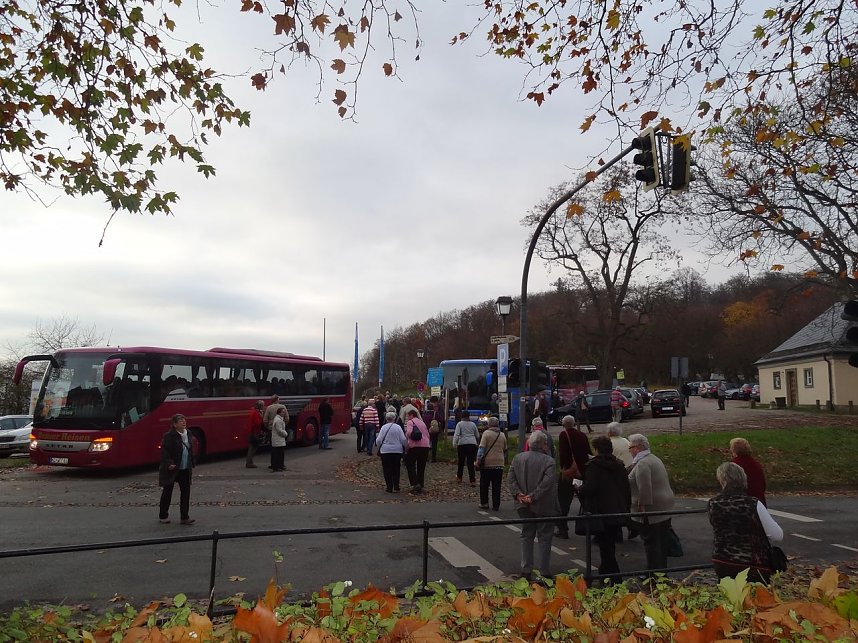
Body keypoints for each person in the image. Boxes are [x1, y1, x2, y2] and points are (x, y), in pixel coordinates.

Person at [708, 462, 783, 584]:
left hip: (722, 560)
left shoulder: (713, 503)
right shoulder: (753, 504)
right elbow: (777, 535)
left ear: (722, 480)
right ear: (743, 479)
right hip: (753, 564)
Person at [578, 436, 632, 583]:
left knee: (605, 546)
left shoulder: (593, 466)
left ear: (596, 449)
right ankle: (606, 574)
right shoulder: (619, 465)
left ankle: (614, 577)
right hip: (617, 509)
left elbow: (591, 488)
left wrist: (579, 488)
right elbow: (626, 488)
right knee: (609, 545)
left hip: (600, 510)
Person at [508, 430, 561, 580]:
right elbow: (548, 482)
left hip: (522, 503)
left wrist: (519, 494)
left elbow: (511, 478)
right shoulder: (549, 461)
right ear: (543, 445)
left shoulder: (518, 458)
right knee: (545, 536)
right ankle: (544, 571)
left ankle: (526, 569)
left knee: (526, 534)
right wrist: (533, 496)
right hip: (543, 504)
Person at [627, 433, 675, 574]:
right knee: (660, 541)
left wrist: (642, 507)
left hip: (651, 509)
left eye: (630, 447)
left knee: (652, 542)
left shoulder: (643, 464)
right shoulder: (653, 458)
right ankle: (660, 572)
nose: (629, 450)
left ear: (637, 448)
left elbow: (645, 488)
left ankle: (653, 573)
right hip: (664, 505)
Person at [556, 415, 592, 539]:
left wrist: (563, 468)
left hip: (569, 473)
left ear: (563, 424)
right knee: (585, 501)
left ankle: (563, 529)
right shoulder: (582, 435)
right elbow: (588, 452)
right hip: (583, 472)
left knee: (564, 501)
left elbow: (563, 454)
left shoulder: (563, 435)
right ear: (574, 423)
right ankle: (592, 527)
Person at [158, 414, 195, 525]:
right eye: (180, 421)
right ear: (174, 424)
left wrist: (192, 461)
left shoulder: (188, 433)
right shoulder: (169, 436)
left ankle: (184, 517)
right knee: (167, 491)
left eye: (184, 420)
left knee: (185, 493)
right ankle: (163, 515)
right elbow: (165, 451)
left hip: (185, 468)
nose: (183, 422)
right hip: (172, 468)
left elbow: (190, 449)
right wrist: (169, 463)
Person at [477, 416, 507, 510]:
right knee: (497, 485)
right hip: (499, 463)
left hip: (487, 463)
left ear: (489, 424)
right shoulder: (502, 435)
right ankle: (496, 505)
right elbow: (505, 449)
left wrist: (478, 460)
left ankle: (484, 503)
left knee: (484, 484)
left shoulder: (486, 434)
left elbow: (481, 448)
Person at [376, 412, 407, 493]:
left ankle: (389, 487)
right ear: (394, 418)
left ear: (386, 419)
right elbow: (403, 439)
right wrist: (405, 447)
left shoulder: (383, 427)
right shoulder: (398, 427)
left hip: (385, 451)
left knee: (387, 469)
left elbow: (379, 440)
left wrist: (379, 446)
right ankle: (396, 486)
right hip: (397, 450)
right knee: (396, 468)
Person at [730, 437, 767, 506]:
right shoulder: (755, 463)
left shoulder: (734, 465)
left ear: (734, 450)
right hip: (759, 502)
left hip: (743, 503)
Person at [404, 409, 430, 494]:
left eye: (408, 416)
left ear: (411, 415)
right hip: (425, 446)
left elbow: (409, 433)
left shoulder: (411, 422)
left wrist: (408, 439)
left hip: (415, 446)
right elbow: (427, 434)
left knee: (410, 464)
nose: (407, 418)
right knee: (421, 466)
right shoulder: (422, 422)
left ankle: (415, 484)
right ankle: (421, 484)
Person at [452, 410, 480, 485]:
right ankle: (472, 480)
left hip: (462, 444)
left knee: (461, 461)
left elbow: (456, 434)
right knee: (470, 463)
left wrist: (454, 443)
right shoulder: (473, 424)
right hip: (472, 444)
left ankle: (459, 477)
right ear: (469, 416)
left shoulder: (459, 424)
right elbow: (477, 435)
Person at [245, 400, 265, 468]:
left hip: (252, 431)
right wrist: (261, 417)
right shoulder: (256, 413)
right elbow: (258, 423)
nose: (264, 407)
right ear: (260, 406)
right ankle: (249, 462)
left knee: (251, 447)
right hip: (255, 432)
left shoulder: (253, 411)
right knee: (254, 447)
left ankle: (249, 462)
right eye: (263, 405)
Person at [270, 407, 288, 471]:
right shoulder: (278, 420)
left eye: (284, 412)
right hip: (278, 439)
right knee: (278, 454)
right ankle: (276, 467)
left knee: (279, 453)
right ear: (279, 413)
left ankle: (279, 466)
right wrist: (285, 433)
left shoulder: (279, 419)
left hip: (278, 439)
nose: (284, 413)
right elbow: (279, 430)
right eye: (283, 412)